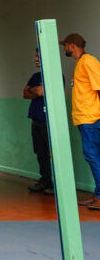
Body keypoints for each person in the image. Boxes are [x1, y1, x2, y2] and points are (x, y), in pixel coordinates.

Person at [61, 33, 100, 210]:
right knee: (93, 156)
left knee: (92, 156)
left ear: (73, 45)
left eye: (65, 45)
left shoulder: (89, 61)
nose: (64, 48)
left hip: (91, 118)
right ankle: (97, 194)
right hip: (84, 118)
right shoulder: (80, 63)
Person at [23, 50, 54, 194]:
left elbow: (41, 92)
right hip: (35, 120)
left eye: (38, 56)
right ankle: (45, 181)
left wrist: (33, 90)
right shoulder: (36, 76)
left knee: (51, 153)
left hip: (48, 121)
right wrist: (34, 90)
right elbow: (25, 94)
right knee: (40, 153)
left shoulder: (54, 74)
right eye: (35, 56)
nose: (36, 58)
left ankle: (56, 185)